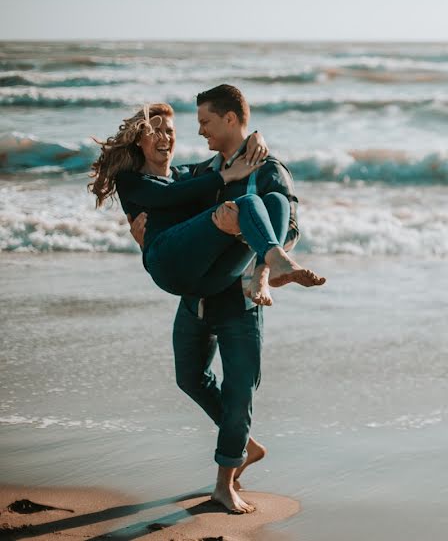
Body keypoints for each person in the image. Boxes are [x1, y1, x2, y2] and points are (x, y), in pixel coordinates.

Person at [91, 87, 324, 513]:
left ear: (232, 120)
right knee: (189, 377)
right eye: (190, 126)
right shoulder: (201, 171)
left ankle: (225, 480)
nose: (197, 133)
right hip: (198, 293)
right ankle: (245, 446)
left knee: (240, 394)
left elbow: (289, 221)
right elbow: (168, 196)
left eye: (205, 123)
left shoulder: (269, 169)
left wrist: (263, 267)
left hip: (240, 298)